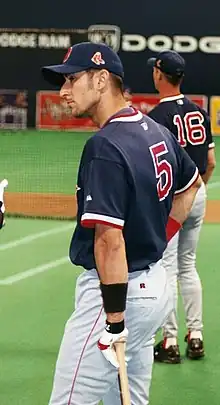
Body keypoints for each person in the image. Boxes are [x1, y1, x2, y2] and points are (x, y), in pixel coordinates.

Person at [42, 42, 202, 405]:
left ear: (101, 80)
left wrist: (114, 322)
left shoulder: (104, 146)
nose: (63, 91)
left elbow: (109, 241)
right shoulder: (153, 128)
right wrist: (160, 237)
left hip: (116, 295)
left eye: (71, 79)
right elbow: (192, 185)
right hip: (156, 288)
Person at [147, 50, 216, 363]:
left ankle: (171, 341)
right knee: (188, 265)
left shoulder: (156, 118)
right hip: (198, 194)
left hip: (172, 202)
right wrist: (197, 187)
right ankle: (197, 335)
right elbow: (211, 162)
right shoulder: (199, 111)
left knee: (167, 269)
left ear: (160, 75)